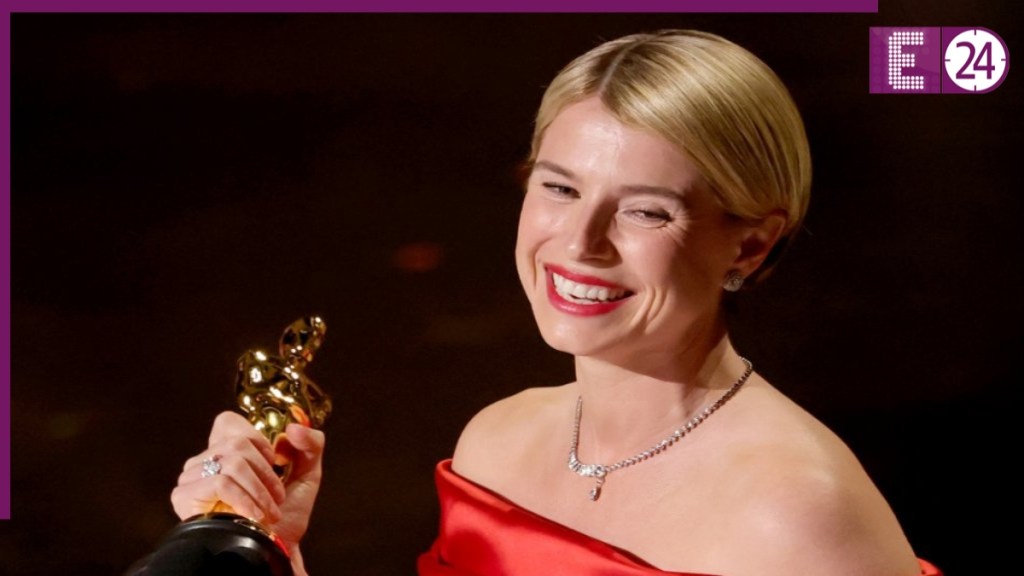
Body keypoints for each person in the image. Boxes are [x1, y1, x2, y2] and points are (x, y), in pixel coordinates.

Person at [171, 30, 940, 576]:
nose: (580, 242)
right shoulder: (496, 445)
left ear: (750, 247)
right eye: (560, 188)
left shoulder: (799, 515)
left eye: (645, 210)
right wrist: (272, 548)